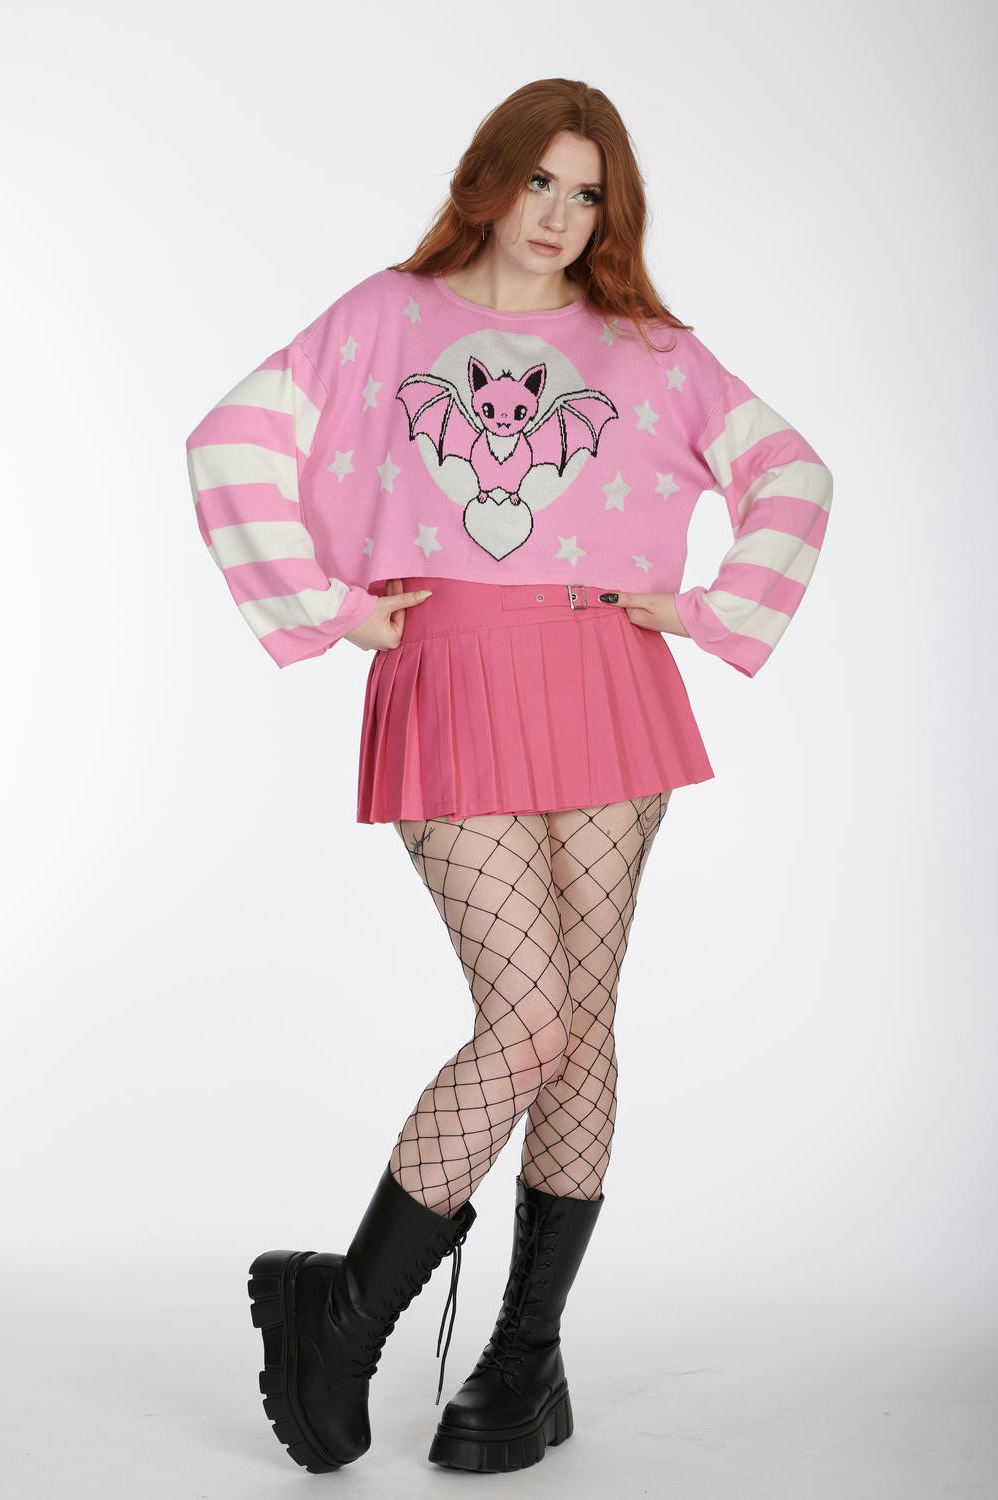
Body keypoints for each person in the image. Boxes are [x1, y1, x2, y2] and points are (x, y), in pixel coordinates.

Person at [185, 78, 833, 1476]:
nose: (558, 215)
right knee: (526, 1017)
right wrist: (328, 607)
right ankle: (342, 1317)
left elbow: (792, 473)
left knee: (581, 1024)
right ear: (490, 178)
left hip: (607, 675)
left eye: (587, 195)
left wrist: (706, 609)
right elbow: (230, 439)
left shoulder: (650, 350)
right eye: (540, 181)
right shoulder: (385, 316)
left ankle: (526, 1359)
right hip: (454, 673)